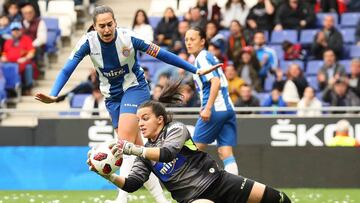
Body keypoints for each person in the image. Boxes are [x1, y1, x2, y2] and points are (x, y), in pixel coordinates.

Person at [35, 5, 219, 203]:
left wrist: (195, 70)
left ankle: (121, 200)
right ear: (94, 27)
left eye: (109, 24)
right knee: (138, 151)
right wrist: (54, 94)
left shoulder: (128, 38)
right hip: (112, 97)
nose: (106, 30)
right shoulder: (87, 43)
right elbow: (66, 69)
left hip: (134, 89)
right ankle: (162, 200)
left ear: (115, 22)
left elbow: (162, 54)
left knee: (123, 144)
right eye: (101, 26)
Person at [87, 82, 292, 203]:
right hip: (193, 199)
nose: (140, 123)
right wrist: (107, 175)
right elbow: (131, 184)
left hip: (220, 182)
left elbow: (167, 153)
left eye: (145, 118)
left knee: (279, 200)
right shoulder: (144, 154)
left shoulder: (176, 129)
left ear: (160, 119)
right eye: (138, 119)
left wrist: (132, 148)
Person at [185, 27, 239, 175]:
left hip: (215, 109)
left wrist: (207, 107)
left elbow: (215, 82)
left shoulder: (201, 57)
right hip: (228, 109)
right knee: (225, 152)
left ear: (202, 41)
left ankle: (194, 190)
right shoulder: (209, 56)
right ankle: (235, 192)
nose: (188, 43)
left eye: (192, 39)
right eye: (186, 40)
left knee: (193, 152)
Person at [1, 22, 35, 95]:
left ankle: (28, 88)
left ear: (21, 30)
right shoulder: (8, 41)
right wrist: (3, 57)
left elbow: (31, 52)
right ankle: (7, 89)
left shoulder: (26, 39)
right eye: (14, 30)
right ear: (11, 31)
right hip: (10, 63)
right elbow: (4, 52)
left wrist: (25, 58)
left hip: (22, 63)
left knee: (28, 67)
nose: (16, 32)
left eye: (17, 30)